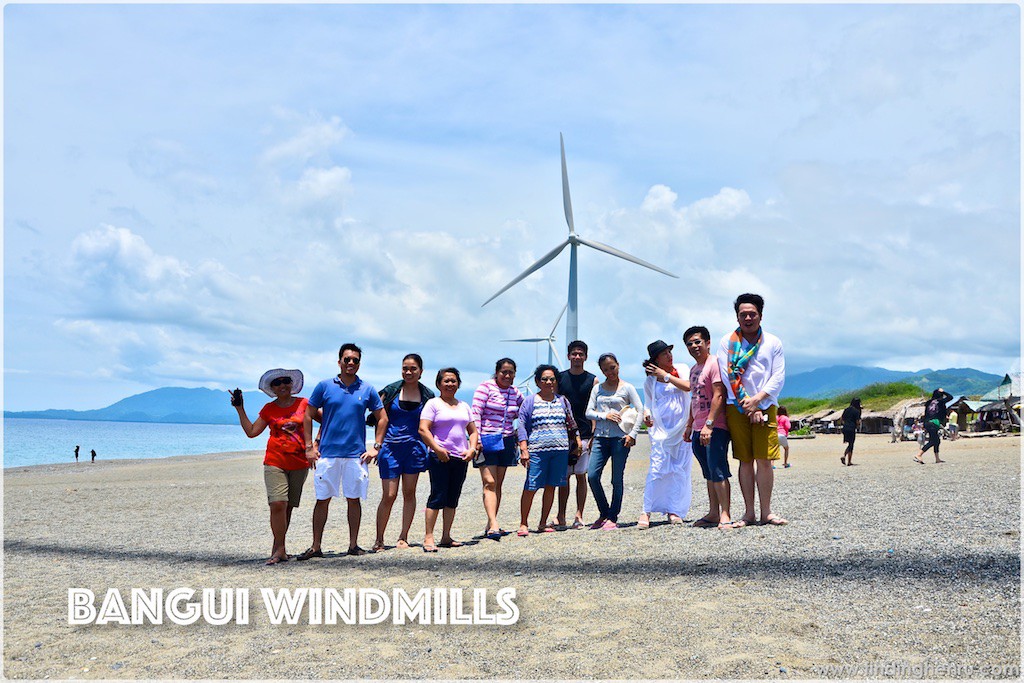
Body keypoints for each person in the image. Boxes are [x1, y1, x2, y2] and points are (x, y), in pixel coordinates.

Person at [300, 343, 387, 560]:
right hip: (327, 453)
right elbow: (308, 415)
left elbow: (382, 418)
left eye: (355, 360)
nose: (350, 363)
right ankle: (316, 546)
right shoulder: (324, 386)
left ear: (359, 364)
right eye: (346, 359)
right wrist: (309, 447)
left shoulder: (367, 389)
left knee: (353, 499)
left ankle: (353, 545)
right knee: (322, 499)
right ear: (339, 361)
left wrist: (376, 447)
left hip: (355, 454)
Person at [716, 293, 787, 527]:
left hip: (765, 404)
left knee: (764, 459)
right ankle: (749, 513)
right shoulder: (727, 342)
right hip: (737, 407)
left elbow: (778, 376)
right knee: (745, 460)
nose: (748, 318)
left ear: (761, 316)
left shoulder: (773, 342)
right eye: (743, 314)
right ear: (737, 316)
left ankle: (766, 511)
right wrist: (747, 405)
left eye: (752, 314)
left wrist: (758, 399)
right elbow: (727, 376)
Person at [231, 369, 311, 565]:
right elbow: (251, 432)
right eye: (277, 383)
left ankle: (279, 549)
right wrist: (240, 408)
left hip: (299, 463)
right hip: (275, 462)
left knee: (288, 508)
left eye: (286, 381)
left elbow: (326, 421)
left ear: (292, 384)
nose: (282, 385)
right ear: (272, 388)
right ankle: (279, 550)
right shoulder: (268, 409)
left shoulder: (304, 404)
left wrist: (316, 442)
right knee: (278, 504)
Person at [371, 354, 435, 552]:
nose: (408, 372)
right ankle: (379, 539)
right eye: (405, 368)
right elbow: (377, 417)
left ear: (421, 372)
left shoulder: (427, 395)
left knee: (409, 493)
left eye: (413, 368)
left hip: (415, 449)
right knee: (389, 495)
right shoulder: (390, 392)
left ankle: (403, 536)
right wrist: (377, 445)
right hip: (390, 448)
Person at [419, 368, 479, 552]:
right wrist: (437, 449)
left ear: (459, 384)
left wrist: (472, 449)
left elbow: (473, 431)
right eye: (446, 381)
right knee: (437, 495)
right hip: (440, 456)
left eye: (453, 381)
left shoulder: (463, 406)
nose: (450, 384)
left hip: (460, 457)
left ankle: (446, 536)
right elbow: (423, 429)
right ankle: (429, 537)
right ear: (439, 384)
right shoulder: (433, 404)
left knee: (453, 497)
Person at [517, 365, 581, 536]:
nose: (548, 382)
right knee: (531, 486)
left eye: (552, 379)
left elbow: (571, 423)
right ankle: (523, 523)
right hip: (537, 450)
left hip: (560, 450)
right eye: (544, 379)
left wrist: (577, 442)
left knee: (551, 486)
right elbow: (521, 425)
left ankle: (543, 523)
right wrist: (524, 448)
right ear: (537, 381)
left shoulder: (562, 400)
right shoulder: (530, 401)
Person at [682, 326, 735, 530]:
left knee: (718, 469)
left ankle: (725, 513)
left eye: (698, 342)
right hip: (697, 427)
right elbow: (693, 398)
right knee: (708, 472)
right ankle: (713, 512)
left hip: (715, 426)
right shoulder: (695, 368)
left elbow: (719, 395)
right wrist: (689, 425)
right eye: (690, 343)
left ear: (707, 343)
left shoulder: (714, 364)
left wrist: (709, 424)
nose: (694, 346)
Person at [585, 352, 644, 530]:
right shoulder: (598, 389)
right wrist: (605, 415)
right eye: (606, 370)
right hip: (601, 439)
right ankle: (604, 512)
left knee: (616, 479)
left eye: (613, 368)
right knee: (592, 476)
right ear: (601, 371)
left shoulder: (627, 388)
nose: (610, 372)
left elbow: (640, 410)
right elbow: (588, 412)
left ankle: (613, 516)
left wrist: (633, 434)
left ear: (618, 365)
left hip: (620, 439)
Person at [638, 340, 692, 528]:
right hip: (661, 431)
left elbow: (689, 386)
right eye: (664, 354)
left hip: (683, 427)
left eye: (669, 351)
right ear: (655, 360)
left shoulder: (683, 369)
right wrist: (646, 414)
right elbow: (648, 402)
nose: (669, 356)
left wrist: (667, 376)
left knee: (680, 470)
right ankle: (646, 510)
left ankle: (674, 510)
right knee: (657, 468)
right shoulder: (650, 380)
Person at [471, 358, 524, 540]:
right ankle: (494, 524)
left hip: (507, 440)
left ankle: (490, 523)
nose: (507, 376)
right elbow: (475, 413)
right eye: (504, 372)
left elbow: (523, 411)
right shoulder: (485, 387)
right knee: (489, 483)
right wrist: (475, 438)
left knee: (498, 484)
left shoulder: (515, 392)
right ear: (497, 372)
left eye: (511, 373)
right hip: (486, 439)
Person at [556, 340, 598, 529]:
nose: (577, 357)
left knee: (581, 475)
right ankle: (561, 515)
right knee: (563, 478)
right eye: (574, 354)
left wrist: (594, 434)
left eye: (581, 354)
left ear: (586, 357)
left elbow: (595, 407)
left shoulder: (593, 380)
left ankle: (579, 515)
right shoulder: (559, 379)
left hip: (586, 433)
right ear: (568, 356)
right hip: (562, 435)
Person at [914, 388, 953, 464]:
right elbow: (950, 397)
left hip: (927, 422)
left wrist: (924, 425)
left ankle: (937, 459)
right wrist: (943, 391)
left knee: (937, 441)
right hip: (933, 423)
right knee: (933, 441)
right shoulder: (941, 401)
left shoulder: (928, 402)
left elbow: (926, 413)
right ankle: (919, 454)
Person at [841, 398, 861, 466]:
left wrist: (846, 424)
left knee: (849, 444)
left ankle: (844, 456)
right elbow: (857, 421)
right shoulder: (856, 411)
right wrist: (858, 426)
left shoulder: (846, 409)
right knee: (851, 444)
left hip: (845, 428)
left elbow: (842, 419)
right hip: (851, 428)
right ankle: (849, 461)